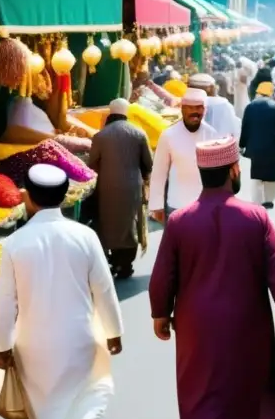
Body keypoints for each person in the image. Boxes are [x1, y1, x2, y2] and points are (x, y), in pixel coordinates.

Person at [149, 136, 275, 419]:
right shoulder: (256, 217)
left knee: (202, 394)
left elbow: (163, 275)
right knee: (242, 383)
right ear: (234, 170)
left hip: (197, 326)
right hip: (247, 321)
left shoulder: (181, 221)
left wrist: (160, 314)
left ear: (202, 172)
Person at [0, 164, 123, 419]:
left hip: (31, 341)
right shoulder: (85, 236)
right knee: (98, 387)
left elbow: (6, 301)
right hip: (80, 336)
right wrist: (114, 330)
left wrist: (1, 346)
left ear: (29, 199)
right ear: (65, 197)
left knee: (39, 406)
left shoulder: (15, 244)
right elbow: (104, 289)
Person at [88, 99, 153, 280]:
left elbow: (92, 163)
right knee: (129, 224)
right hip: (132, 187)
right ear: (126, 113)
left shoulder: (101, 136)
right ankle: (125, 264)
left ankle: (111, 260)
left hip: (106, 187)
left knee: (108, 222)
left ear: (110, 113)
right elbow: (148, 163)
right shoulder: (139, 133)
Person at [148, 89, 217, 221]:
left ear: (205, 110)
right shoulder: (169, 135)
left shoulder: (212, 134)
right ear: (182, 109)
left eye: (198, 107)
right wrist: (156, 206)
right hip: (176, 205)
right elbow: (159, 173)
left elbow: (218, 174)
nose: (194, 112)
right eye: (190, 108)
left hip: (205, 206)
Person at [239, 81, 275, 209]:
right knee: (272, 175)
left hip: (254, 146)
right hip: (272, 146)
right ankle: (269, 200)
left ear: (258, 93)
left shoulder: (250, 107)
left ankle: (257, 203)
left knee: (256, 175)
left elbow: (245, 128)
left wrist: (242, 145)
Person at [189, 73, 240, 139]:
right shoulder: (224, 104)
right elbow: (234, 129)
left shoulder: (186, 104)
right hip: (219, 146)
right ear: (209, 88)